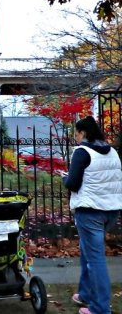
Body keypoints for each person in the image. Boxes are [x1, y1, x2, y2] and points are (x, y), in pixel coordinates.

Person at [63, 116, 122, 314]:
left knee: (95, 259)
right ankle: (86, 294)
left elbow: (73, 183)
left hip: (90, 212)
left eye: (77, 134)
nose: (76, 138)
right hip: (111, 211)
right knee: (87, 251)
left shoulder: (82, 152)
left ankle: (100, 308)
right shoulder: (112, 151)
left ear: (84, 133)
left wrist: (65, 178)